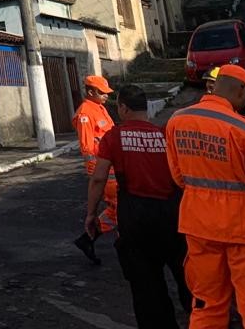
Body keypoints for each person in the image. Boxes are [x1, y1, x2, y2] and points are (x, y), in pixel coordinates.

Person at [166, 64, 245, 328]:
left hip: (198, 226)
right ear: (241, 89)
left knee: (206, 303)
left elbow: (179, 177)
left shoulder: (177, 121)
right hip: (243, 230)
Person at [85, 84, 190, 328]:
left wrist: (91, 214)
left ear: (123, 108)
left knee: (146, 287)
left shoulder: (114, 137)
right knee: (188, 277)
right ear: (146, 108)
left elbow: (99, 178)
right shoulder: (164, 134)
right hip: (173, 214)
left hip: (136, 217)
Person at [73, 73, 116, 263]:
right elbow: (87, 148)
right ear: (91, 92)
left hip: (112, 167)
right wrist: (96, 174)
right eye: (102, 92)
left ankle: (87, 239)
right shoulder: (85, 113)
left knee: (117, 209)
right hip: (104, 170)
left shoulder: (100, 108)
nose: (106, 95)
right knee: (122, 207)